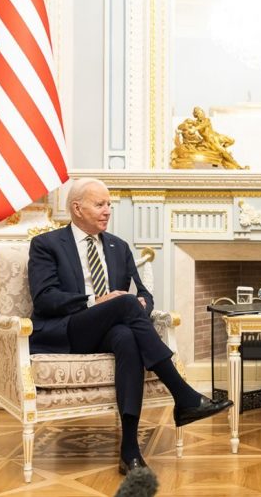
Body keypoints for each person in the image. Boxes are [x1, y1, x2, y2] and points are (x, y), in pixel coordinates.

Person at [28, 177, 232, 475]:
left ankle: (130, 451)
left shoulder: (118, 246)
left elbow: (143, 294)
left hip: (109, 331)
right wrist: (95, 300)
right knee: (123, 304)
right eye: (100, 204)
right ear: (77, 208)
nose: (107, 210)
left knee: (126, 336)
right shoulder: (46, 244)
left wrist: (141, 305)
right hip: (68, 329)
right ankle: (183, 394)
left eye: (109, 204)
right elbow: (45, 298)